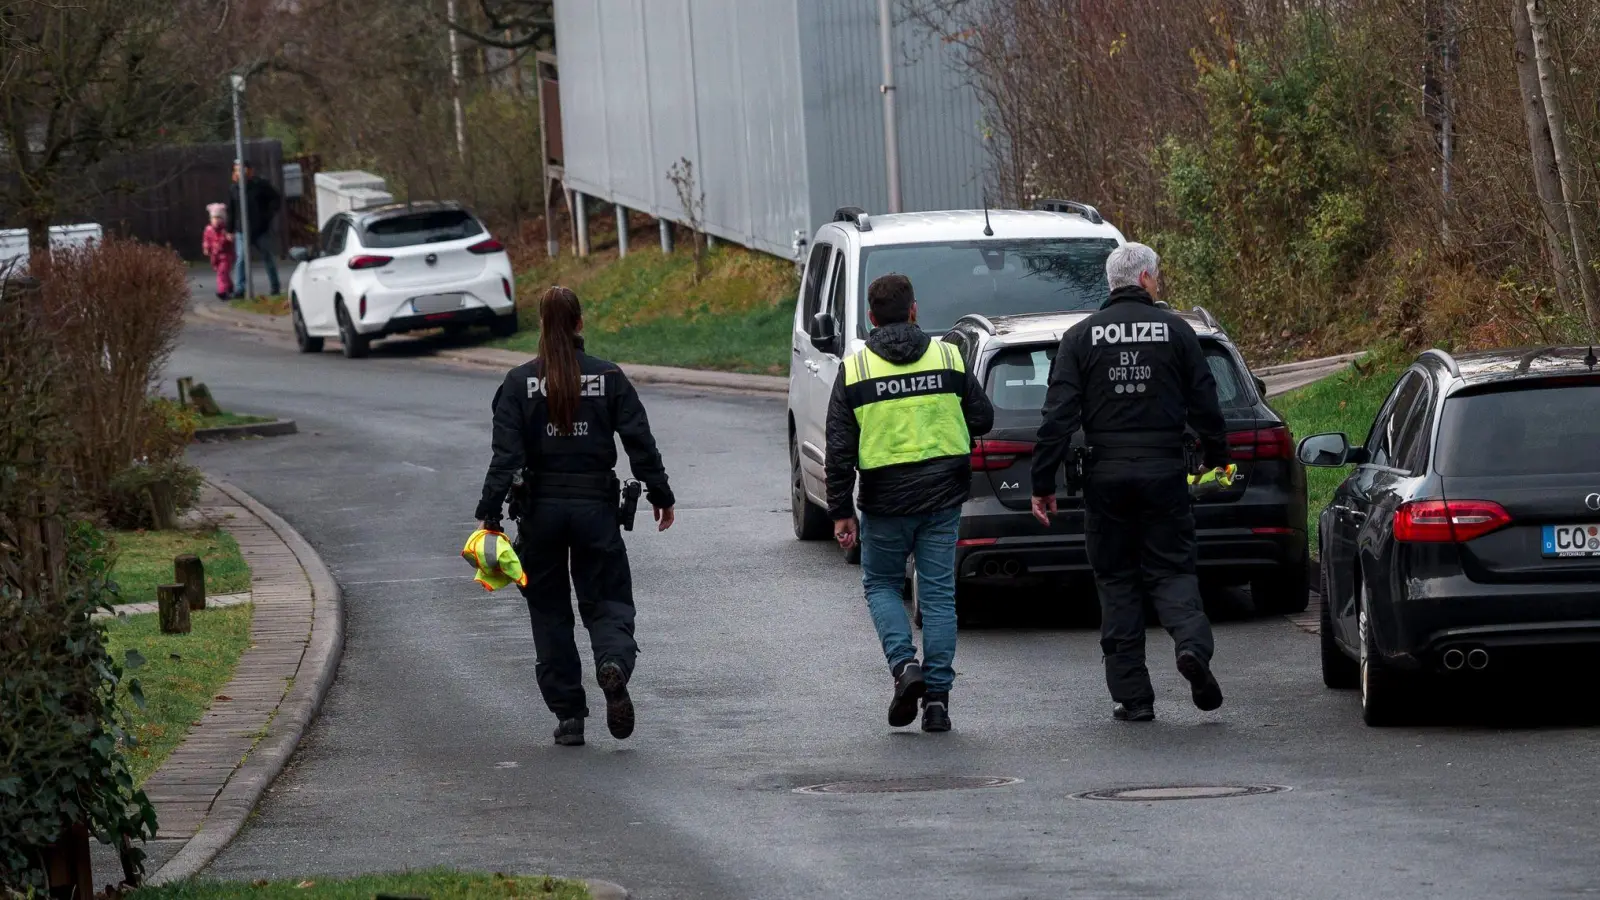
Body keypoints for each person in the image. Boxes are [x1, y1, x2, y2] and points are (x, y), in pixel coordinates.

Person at [1030, 242, 1228, 722]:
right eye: (1156, 277)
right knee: (1174, 570)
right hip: (1164, 471)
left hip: (1106, 476)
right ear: (1144, 279)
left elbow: (1057, 416)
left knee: (1117, 580)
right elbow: (1206, 404)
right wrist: (1216, 459)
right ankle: (1192, 649)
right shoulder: (1177, 332)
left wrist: (1043, 481)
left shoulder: (1080, 338)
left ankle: (1133, 697)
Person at [475, 285, 676, 747]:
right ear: (580, 324)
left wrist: (490, 516)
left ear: (542, 327)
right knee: (606, 599)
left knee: (549, 613)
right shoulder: (609, 378)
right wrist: (660, 493)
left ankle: (569, 716)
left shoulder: (516, 383)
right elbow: (639, 441)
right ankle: (612, 663)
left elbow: (505, 458)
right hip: (595, 511)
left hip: (539, 513)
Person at [826, 274, 994, 733]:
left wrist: (841, 510)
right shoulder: (948, 355)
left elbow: (839, 448)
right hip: (943, 497)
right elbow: (982, 416)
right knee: (938, 597)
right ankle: (937, 702)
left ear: (871, 318)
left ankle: (904, 668)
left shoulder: (856, 370)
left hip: (884, 503)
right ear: (914, 310)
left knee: (881, 585)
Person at [226, 163, 282, 297]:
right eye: (238, 170)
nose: (241, 172)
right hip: (242, 230)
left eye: (244, 169)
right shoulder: (234, 188)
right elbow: (232, 210)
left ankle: (275, 287)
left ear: (250, 171)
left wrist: (267, 215)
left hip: (260, 229)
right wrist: (230, 230)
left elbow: (275, 199)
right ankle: (240, 289)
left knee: (268, 257)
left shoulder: (260, 185)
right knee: (241, 259)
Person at [202, 203, 236, 300]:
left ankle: (222, 292)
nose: (216, 220)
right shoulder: (208, 230)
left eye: (219, 218)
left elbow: (229, 240)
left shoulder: (225, 230)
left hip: (226, 256)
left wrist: (229, 238)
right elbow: (206, 240)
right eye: (214, 218)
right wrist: (206, 248)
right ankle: (229, 287)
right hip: (214, 256)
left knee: (222, 273)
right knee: (223, 274)